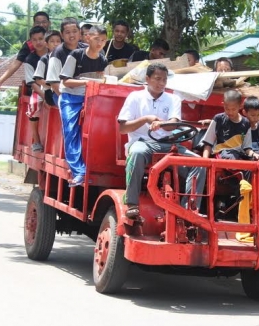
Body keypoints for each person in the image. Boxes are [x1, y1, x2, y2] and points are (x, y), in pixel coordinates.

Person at [118, 63, 206, 219]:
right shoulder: (135, 97)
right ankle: (132, 204)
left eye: (164, 80)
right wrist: (145, 119)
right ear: (147, 79)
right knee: (137, 153)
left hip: (169, 144)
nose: (161, 83)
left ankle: (189, 210)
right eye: (157, 79)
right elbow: (123, 128)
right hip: (142, 142)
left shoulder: (173, 99)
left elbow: (172, 124)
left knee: (200, 163)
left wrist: (163, 124)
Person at [59, 25, 109, 187]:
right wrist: (87, 82)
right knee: (71, 132)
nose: (100, 43)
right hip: (70, 98)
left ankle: (91, 167)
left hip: (90, 99)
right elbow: (65, 81)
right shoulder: (76, 55)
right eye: (96, 39)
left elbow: (102, 81)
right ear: (88, 38)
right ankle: (79, 171)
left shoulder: (102, 60)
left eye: (103, 40)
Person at [0, 11, 51, 90]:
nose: (41, 25)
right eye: (38, 22)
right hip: (37, 86)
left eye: (44, 22)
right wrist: (0, 80)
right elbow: (17, 63)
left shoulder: (57, 40)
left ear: (49, 23)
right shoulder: (29, 45)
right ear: (33, 25)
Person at [46, 17, 87, 105]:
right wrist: (67, 102)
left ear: (80, 32)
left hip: (85, 94)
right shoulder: (57, 53)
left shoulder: (87, 49)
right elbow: (54, 83)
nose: (72, 35)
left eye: (75, 31)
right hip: (62, 94)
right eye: (68, 32)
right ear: (62, 35)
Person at [23, 26, 49, 152]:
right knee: (34, 104)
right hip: (39, 89)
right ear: (31, 42)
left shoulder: (55, 55)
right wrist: (44, 95)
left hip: (56, 87)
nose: (38, 42)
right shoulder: (29, 60)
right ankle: (36, 139)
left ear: (46, 39)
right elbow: (31, 83)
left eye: (41, 38)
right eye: (35, 40)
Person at [33, 30, 62, 107]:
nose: (55, 44)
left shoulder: (65, 57)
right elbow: (38, 79)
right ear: (46, 44)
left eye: (58, 41)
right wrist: (53, 85)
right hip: (50, 92)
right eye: (52, 41)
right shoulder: (44, 59)